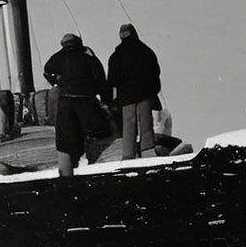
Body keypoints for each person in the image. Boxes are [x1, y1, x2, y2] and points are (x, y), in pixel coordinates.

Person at [43, 33, 111, 177]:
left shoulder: (58, 57)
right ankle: (97, 167)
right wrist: (106, 100)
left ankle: (66, 171)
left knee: (65, 139)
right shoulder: (87, 56)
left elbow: (47, 70)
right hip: (86, 100)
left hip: (66, 102)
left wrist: (56, 83)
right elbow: (99, 77)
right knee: (97, 133)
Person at [107, 23, 162, 160]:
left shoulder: (116, 56)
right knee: (146, 123)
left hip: (126, 97)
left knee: (128, 125)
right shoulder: (146, 51)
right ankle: (147, 152)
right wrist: (154, 91)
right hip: (145, 94)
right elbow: (155, 72)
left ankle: (128, 155)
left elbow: (112, 80)